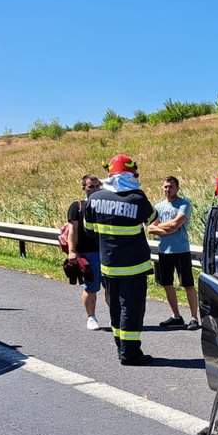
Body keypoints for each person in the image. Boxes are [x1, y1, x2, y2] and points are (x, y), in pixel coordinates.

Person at [85, 154, 156, 365]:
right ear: (130, 174)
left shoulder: (94, 199)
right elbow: (152, 218)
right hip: (134, 267)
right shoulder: (137, 198)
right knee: (132, 310)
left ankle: (120, 348)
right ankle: (130, 353)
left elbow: (90, 231)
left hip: (108, 266)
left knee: (114, 308)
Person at [148, 176, 199, 329]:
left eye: (170, 187)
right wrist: (166, 229)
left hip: (181, 250)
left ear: (177, 188)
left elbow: (177, 224)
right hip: (164, 251)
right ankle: (176, 315)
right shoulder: (158, 207)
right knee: (167, 284)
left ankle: (194, 318)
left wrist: (162, 229)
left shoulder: (184, 204)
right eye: (165, 187)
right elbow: (150, 228)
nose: (167, 190)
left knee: (188, 284)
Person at [66, 174, 104, 330]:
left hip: (105, 251)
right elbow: (72, 231)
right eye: (91, 186)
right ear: (84, 188)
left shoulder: (105, 205)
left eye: (97, 186)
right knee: (91, 287)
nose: (95, 189)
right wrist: (72, 251)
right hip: (87, 252)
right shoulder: (77, 207)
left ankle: (115, 318)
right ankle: (91, 317)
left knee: (112, 287)